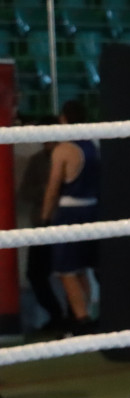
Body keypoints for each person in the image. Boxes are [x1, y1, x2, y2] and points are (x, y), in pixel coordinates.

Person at [41, 100, 99, 336]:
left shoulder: (63, 149)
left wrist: (44, 219)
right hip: (93, 211)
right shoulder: (94, 144)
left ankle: (81, 318)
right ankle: (88, 316)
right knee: (82, 268)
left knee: (67, 271)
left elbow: (53, 188)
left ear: (63, 119)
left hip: (70, 213)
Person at [17, 116, 65, 334]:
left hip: (65, 224)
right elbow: (24, 192)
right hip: (42, 224)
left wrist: (57, 189)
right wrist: (46, 189)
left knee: (72, 272)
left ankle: (77, 319)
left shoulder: (69, 154)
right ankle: (57, 316)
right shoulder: (37, 160)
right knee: (35, 273)